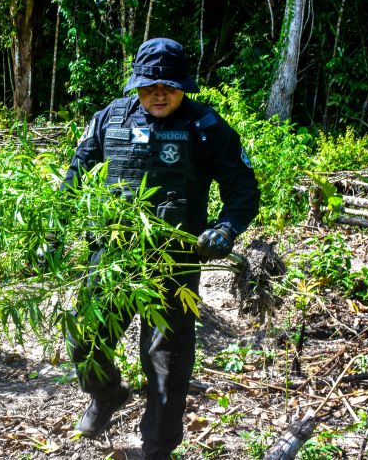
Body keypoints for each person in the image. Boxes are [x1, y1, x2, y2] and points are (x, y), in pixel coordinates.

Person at [62, 37, 260, 459]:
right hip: (112, 261)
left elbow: (242, 189)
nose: (159, 93)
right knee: (84, 338)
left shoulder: (206, 128)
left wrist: (225, 228)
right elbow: (75, 176)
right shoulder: (108, 119)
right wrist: (50, 234)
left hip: (174, 264)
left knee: (166, 362)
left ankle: (157, 447)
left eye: (168, 86)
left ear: (182, 86)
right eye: (150, 85)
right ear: (136, 85)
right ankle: (107, 394)